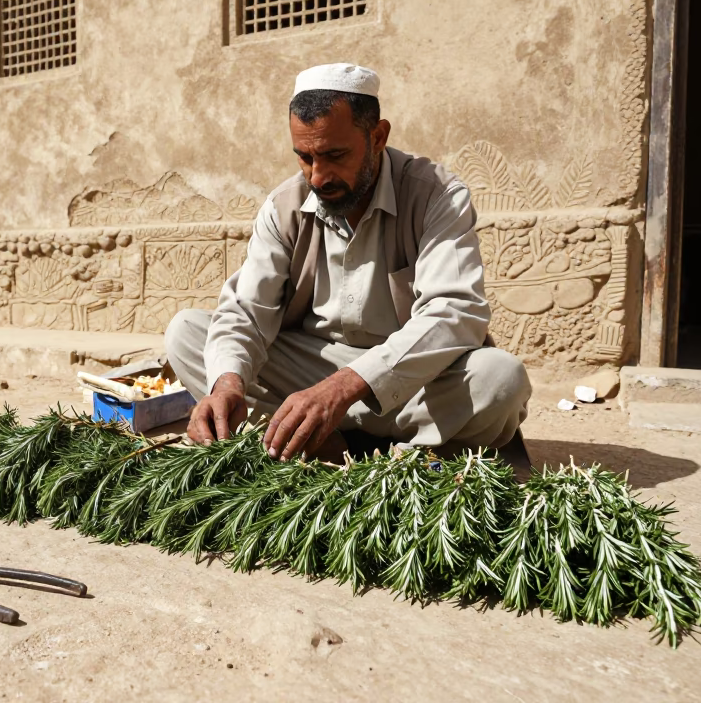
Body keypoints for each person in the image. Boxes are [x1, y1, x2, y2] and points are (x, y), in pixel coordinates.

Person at [165, 63, 532, 462]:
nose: (318, 176)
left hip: (413, 381)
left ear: (377, 136)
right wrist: (227, 387)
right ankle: (327, 442)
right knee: (188, 333)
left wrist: (343, 388)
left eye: (334, 155)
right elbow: (247, 312)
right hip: (308, 375)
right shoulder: (284, 207)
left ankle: (370, 451)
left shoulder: (436, 196)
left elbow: (454, 313)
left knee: (501, 379)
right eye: (304, 157)